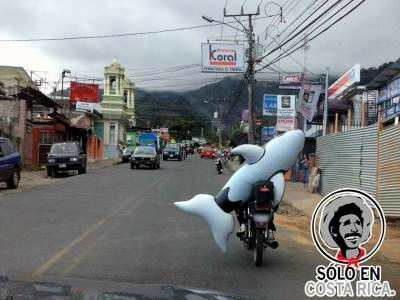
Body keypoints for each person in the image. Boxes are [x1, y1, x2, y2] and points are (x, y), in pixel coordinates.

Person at [319, 196, 373, 267]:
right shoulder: (334, 266)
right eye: (347, 223)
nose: (354, 229)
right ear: (333, 231)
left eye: (357, 223)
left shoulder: (370, 262)